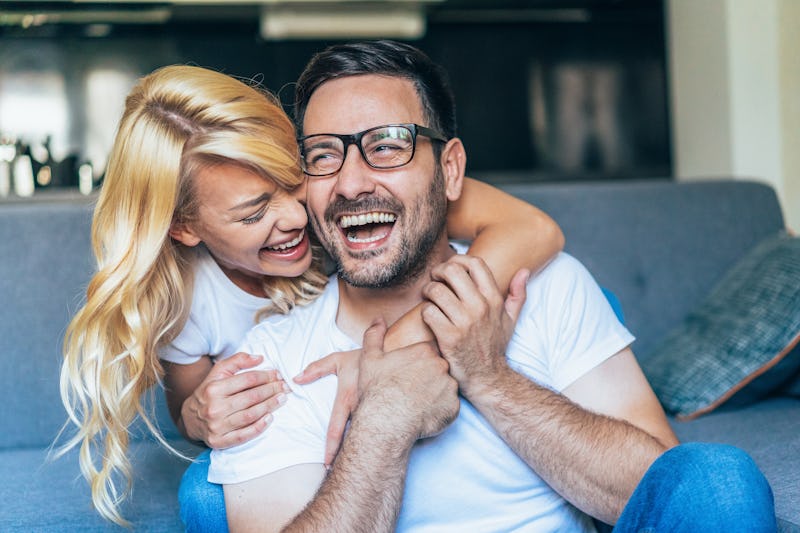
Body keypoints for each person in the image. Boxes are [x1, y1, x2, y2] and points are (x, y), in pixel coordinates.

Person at [211, 40, 777, 532]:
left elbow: (664, 495)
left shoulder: (549, 285)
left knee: (719, 479)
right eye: (324, 156)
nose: (352, 182)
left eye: (387, 146)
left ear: (450, 170)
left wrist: (489, 377)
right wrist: (386, 418)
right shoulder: (269, 363)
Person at [57, 64, 565, 526]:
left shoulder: (350, 195)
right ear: (186, 228)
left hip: (456, 306)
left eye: (293, 179)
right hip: (303, 430)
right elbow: (187, 407)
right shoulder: (188, 307)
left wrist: (386, 350)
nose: (298, 218)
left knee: (558, 294)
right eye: (254, 214)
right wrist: (197, 416)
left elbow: (534, 230)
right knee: (206, 496)